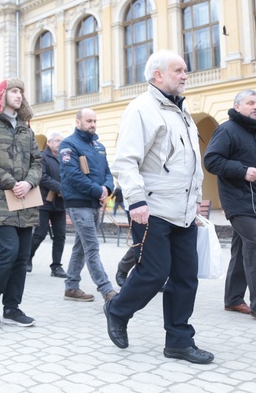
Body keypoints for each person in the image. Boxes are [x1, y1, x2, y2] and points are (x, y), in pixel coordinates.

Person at [106, 50, 213, 364]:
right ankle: (117, 310)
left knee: (186, 277)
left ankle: (179, 341)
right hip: (151, 207)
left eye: (185, 70)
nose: (184, 75)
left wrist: (194, 204)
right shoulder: (141, 109)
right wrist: (136, 200)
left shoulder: (182, 112)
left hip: (182, 209)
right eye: (178, 70)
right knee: (154, 273)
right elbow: (126, 160)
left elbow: (190, 164)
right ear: (158, 75)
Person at [204, 89, 256, 324]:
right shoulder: (227, 129)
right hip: (236, 200)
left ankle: (232, 298)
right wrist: (242, 171)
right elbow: (211, 160)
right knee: (255, 244)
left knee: (242, 249)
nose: (255, 107)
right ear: (237, 106)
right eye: (250, 103)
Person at [0, 78, 42, 328]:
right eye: (13, 90)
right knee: (8, 250)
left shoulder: (25, 128)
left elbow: (38, 162)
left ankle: (12, 307)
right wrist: (11, 182)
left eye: (21, 91)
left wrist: (30, 183)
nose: (19, 95)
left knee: (22, 256)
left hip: (25, 199)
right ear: (1, 95)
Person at [60, 109, 118, 303]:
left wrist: (107, 188)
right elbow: (72, 175)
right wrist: (98, 190)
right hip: (78, 204)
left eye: (94, 120)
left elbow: (108, 172)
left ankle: (71, 287)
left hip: (95, 204)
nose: (93, 124)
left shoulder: (99, 146)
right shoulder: (68, 144)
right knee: (92, 246)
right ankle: (107, 290)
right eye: (88, 121)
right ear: (78, 123)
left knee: (81, 247)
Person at [27, 131, 67, 278]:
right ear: (49, 143)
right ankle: (27, 258)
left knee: (60, 236)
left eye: (62, 140)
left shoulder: (65, 158)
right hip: (43, 201)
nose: (60, 143)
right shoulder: (42, 156)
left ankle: (56, 266)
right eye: (57, 140)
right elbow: (41, 177)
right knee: (39, 234)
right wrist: (60, 188)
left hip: (60, 203)